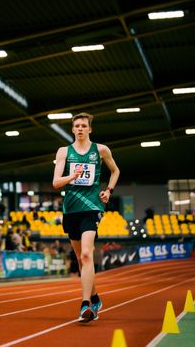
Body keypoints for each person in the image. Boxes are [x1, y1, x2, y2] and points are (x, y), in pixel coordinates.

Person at [52, 112, 120, 323]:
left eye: (84, 125)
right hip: (71, 209)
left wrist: (108, 190)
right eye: (77, 126)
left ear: (90, 129)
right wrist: (71, 176)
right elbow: (55, 182)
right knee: (81, 258)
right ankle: (96, 298)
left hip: (92, 207)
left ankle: (84, 306)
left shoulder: (100, 150)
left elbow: (116, 171)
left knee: (88, 255)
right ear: (72, 129)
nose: (80, 128)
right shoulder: (64, 151)